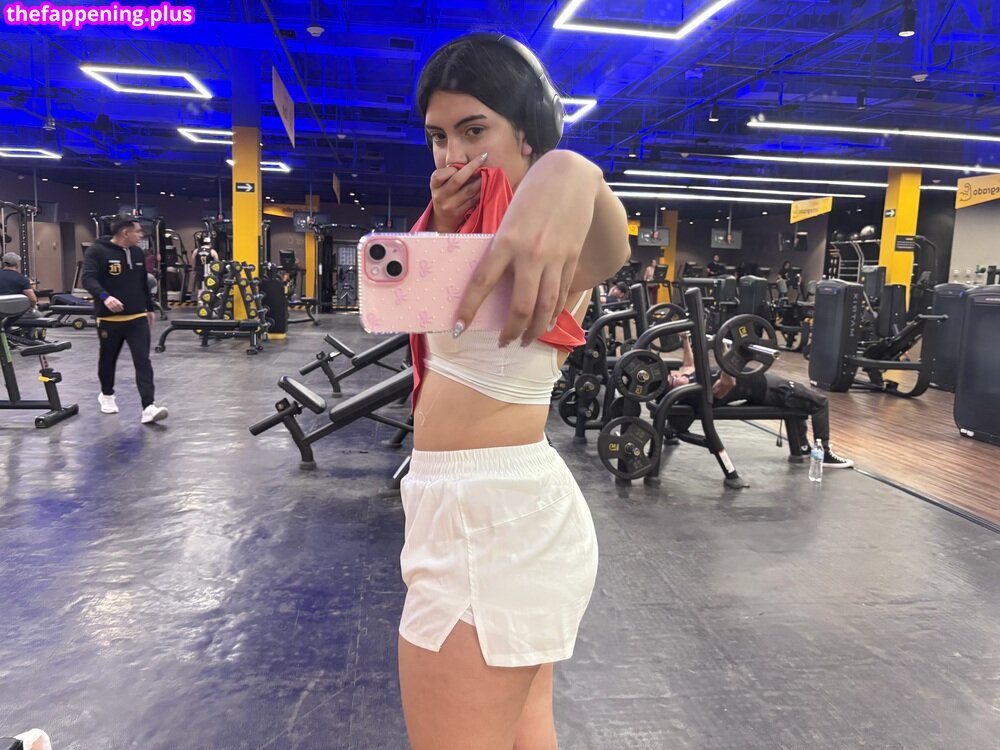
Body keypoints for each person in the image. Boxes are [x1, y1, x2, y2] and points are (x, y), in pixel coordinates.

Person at [398, 33, 630, 750]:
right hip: (475, 510)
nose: (453, 155)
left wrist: (570, 169)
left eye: (475, 131)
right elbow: (432, 333)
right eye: (439, 137)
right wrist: (442, 229)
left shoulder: (551, 247)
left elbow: (611, 249)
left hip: (488, 521)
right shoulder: (470, 238)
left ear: (525, 131)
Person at [667, 334, 854, 468]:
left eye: (673, 374)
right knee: (820, 402)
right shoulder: (701, 393)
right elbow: (729, 382)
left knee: (800, 402)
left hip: (767, 382)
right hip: (771, 390)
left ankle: (803, 446)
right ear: (675, 389)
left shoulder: (687, 380)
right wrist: (730, 354)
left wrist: (685, 340)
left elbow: (688, 365)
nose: (675, 375)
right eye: (673, 380)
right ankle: (825, 453)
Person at [82, 218, 168, 424]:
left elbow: (142, 282)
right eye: (138, 231)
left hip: (136, 317)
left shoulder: (137, 253)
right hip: (109, 318)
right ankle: (107, 394)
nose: (141, 235)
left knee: (143, 361)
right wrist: (105, 297)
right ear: (125, 232)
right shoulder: (97, 251)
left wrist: (149, 308)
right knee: (108, 359)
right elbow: (88, 279)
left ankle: (148, 407)